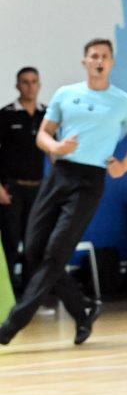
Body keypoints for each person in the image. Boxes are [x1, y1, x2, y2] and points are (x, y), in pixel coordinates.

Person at [0, 39, 127, 346]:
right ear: (85, 62)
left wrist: (125, 165)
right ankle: (83, 310)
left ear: (112, 63)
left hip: (89, 182)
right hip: (60, 175)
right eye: (94, 56)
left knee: (55, 253)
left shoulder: (123, 102)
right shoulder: (66, 94)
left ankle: (12, 324)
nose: (99, 61)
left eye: (105, 56)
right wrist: (56, 146)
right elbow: (43, 134)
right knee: (33, 250)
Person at [0, 67, 47, 292]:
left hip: (38, 189)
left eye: (34, 81)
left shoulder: (47, 115)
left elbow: (56, 152)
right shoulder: (6, 115)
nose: (30, 86)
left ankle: (30, 297)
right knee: (10, 243)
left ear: (39, 85)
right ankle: (8, 297)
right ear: (17, 85)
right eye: (25, 82)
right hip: (11, 189)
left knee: (34, 244)